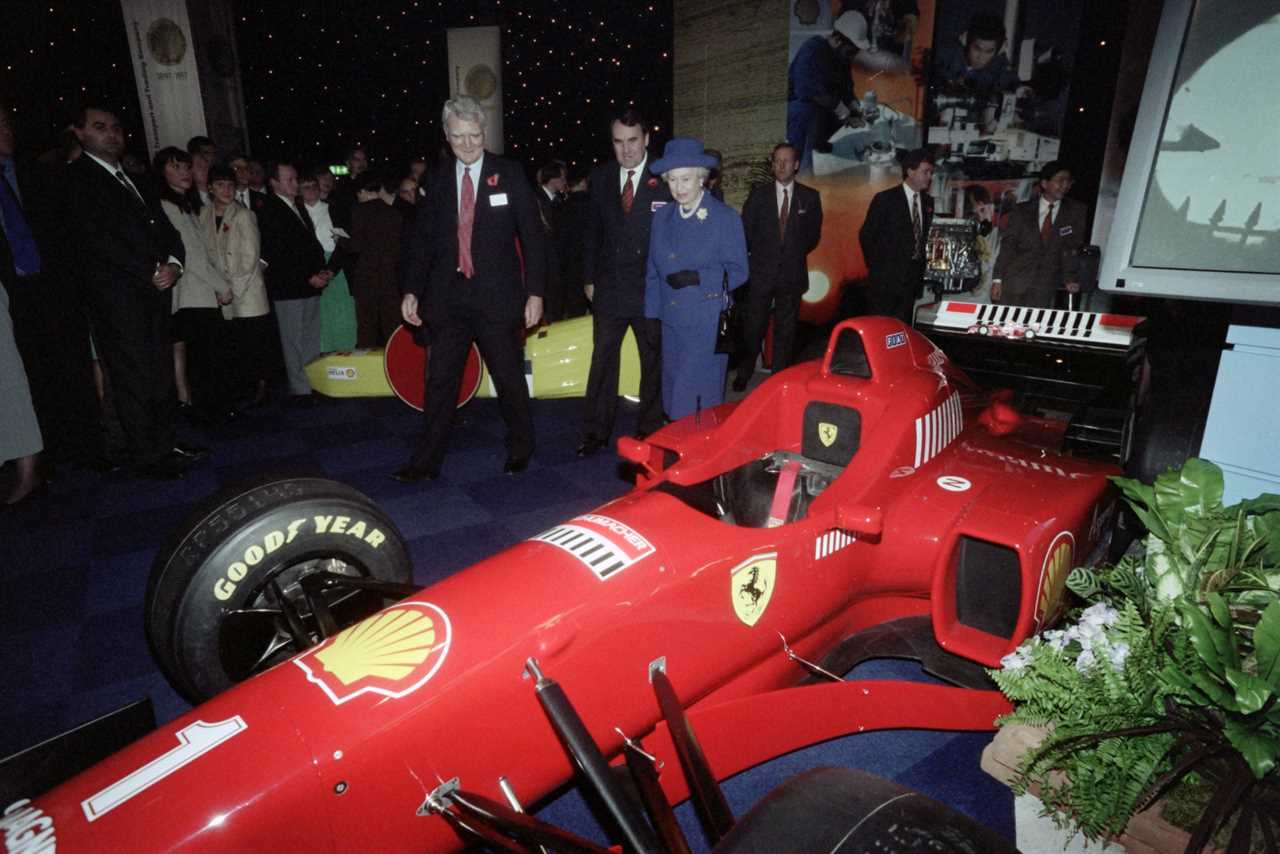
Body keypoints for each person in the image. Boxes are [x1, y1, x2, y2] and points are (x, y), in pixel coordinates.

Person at [393, 96, 546, 482]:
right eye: (458, 136)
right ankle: (425, 461)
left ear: (484, 132)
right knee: (440, 381)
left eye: (474, 135)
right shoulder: (439, 177)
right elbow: (424, 240)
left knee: (508, 377)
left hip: (498, 297)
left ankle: (520, 448)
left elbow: (533, 237)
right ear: (446, 135)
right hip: (448, 298)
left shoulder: (509, 173)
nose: (467, 144)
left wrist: (536, 292)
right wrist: (412, 290)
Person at [64, 105, 189, 479]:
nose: (111, 134)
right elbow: (95, 240)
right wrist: (148, 269)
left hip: (154, 293)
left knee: (160, 373)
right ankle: (147, 456)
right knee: (133, 379)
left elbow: (166, 231)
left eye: (116, 127)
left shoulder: (134, 179)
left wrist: (174, 264)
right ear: (80, 133)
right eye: (100, 127)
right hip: (117, 300)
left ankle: (166, 445)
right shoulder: (77, 179)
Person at [0, 103, 104, 472]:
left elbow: (64, 230)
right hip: (12, 296)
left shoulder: (37, 173)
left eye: (9, 124)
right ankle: (51, 456)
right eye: (0, 126)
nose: (7, 131)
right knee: (35, 376)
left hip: (54, 288)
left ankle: (92, 448)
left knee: (74, 368)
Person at [577, 109, 669, 457]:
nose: (626, 150)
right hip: (610, 288)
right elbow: (591, 233)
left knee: (653, 361)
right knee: (602, 361)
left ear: (646, 138)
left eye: (633, 141)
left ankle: (649, 428)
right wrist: (588, 278)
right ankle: (595, 432)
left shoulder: (664, 176)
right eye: (618, 142)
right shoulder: (600, 177)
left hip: (650, 288)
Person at [644, 137, 748, 420]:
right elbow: (652, 270)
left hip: (706, 320)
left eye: (686, 179)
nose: (678, 188)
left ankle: (694, 452)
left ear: (702, 178)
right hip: (670, 319)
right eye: (673, 180)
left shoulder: (724, 218)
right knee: (672, 388)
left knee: (692, 394)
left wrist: (699, 277)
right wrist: (651, 315)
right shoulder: (662, 217)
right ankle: (682, 445)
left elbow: (739, 270)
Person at [734, 142, 823, 391]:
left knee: (786, 329)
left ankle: (778, 376)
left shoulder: (810, 197)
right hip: (761, 273)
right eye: (777, 160)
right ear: (773, 164)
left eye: (786, 161)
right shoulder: (758, 195)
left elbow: (813, 236)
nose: (781, 165)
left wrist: (791, 253)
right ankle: (744, 371)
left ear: (796, 165)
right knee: (754, 326)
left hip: (792, 274)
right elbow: (746, 232)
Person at [155, 146, 234, 423]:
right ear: (162, 172)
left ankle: (215, 409)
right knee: (204, 359)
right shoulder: (166, 206)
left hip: (201, 292)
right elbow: (192, 256)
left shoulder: (184, 206)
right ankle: (209, 412)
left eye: (186, 167)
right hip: (191, 293)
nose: (184, 173)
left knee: (209, 357)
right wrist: (222, 285)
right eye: (175, 167)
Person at [257, 160, 331, 399]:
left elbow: (310, 246)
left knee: (310, 337)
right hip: (289, 286)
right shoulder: (270, 209)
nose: (294, 183)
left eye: (295, 178)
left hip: (308, 284)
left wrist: (321, 270)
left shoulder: (295, 206)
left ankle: (311, 382)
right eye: (288, 179)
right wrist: (309, 276)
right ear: (274, 183)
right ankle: (300, 388)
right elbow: (279, 253)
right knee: (294, 340)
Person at [203, 163, 272, 409]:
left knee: (254, 341)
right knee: (234, 344)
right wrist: (218, 287)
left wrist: (232, 288)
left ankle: (261, 387)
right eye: (220, 184)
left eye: (231, 185)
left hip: (246, 290)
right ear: (210, 188)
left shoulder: (244, 214)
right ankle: (243, 386)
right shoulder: (203, 215)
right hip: (220, 290)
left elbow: (249, 258)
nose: (227, 189)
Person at [992, 161, 1087, 307]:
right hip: (1014, 281)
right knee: (1005, 326)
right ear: (1044, 183)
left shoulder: (1076, 211)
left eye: (1069, 182)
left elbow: (1072, 248)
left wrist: (1070, 278)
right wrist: (997, 280)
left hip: (1046, 285)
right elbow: (1007, 246)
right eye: (1060, 180)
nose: (1065, 185)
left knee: (1034, 326)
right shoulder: (1021, 210)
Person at [858, 147, 934, 324]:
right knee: (881, 329)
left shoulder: (928, 202)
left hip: (911, 282)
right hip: (885, 282)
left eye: (931, 172)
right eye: (926, 172)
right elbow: (866, 236)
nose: (930, 177)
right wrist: (879, 269)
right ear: (910, 171)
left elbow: (921, 238)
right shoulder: (885, 199)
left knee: (902, 331)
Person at [786, 11, 868, 175]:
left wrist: (854, 106)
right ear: (838, 40)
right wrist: (840, 108)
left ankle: (818, 142)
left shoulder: (841, 58)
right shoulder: (813, 49)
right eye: (850, 51)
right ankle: (801, 168)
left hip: (821, 109)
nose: (852, 57)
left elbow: (846, 88)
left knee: (834, 114)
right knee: (806, 112)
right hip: (798, 108)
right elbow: (806, 90)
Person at [345, 172, 406, 348]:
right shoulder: (394, 212)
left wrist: (341, 240)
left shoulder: (359, 211)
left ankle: (366, 370)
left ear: (362, 191)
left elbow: (356, 246)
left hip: (366, 278)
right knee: (392, 328)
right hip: (390, 278)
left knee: (366, 328)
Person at [300, 170, 356, 352]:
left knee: (341, 312)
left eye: (313, 187)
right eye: (305, 187)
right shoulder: (297, 213)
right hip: (309, 269)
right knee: (318, 315)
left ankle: (344, 350)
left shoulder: (333, 209)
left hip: (334, 266)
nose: (311, 190)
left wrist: (330, 269)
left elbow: (344, 243)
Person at [934, 12, 1022, 103]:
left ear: (999, 50)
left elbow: (1012, 82)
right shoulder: (947, 53)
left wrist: (1021, 90)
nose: (981, 57)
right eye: (977, 48)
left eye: (989, 51)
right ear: (965, 40)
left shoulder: (1000, 64)